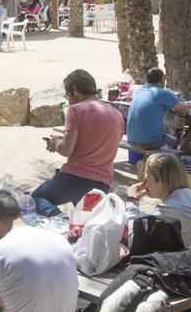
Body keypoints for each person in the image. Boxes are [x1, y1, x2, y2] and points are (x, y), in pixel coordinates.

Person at [34, 70, 124, 216]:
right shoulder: (117, 114)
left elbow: (66, 150)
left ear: (75, 89)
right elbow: (100, 143)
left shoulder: (76, 110)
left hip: (74, 179)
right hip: (101, 183)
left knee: (36, 199)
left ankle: (61, 221)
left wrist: (56, 144)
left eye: (67, 95)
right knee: (85, 221)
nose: (68, 100)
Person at [125, 153, 191, 248]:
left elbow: (133, 240)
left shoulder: (171, 208)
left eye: (147, 179)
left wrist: (132, 200)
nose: (144, 184)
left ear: (161, 182)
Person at [126, 67, 190, 149]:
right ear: (163, 79)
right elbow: (185, 110)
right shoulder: (162, 92)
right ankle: (173, 160)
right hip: (150, 142)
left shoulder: (140, 91)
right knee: (176, 142)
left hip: (131, 140)